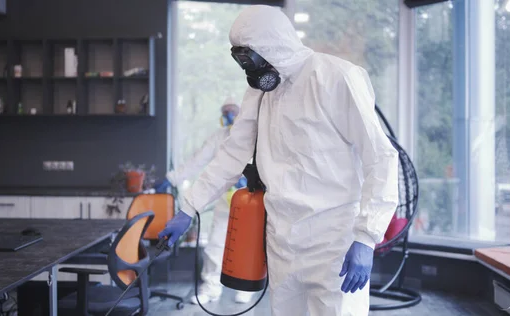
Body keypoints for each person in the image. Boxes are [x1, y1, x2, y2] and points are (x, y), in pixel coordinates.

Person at [159, 5, 398, 316]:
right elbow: (232, 154)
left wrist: (366, 238)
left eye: (254, 58)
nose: (252, 72)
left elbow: (381, 157)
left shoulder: (337, 77)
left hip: (334, 241)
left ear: (273, 45)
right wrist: (188, 208)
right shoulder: (259, 94)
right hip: (282, 239)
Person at [155, 98, 254, 305]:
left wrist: (253, 178)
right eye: (225, 112)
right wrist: (172, 178)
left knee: (249, 246)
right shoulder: (219, 138)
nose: (228, 116)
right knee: (215, 245)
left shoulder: (255, 135)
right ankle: (210, 287)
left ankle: (246, 288)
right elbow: (197, 161)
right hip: (225, 201)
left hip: (251, 204)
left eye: (232, 111)